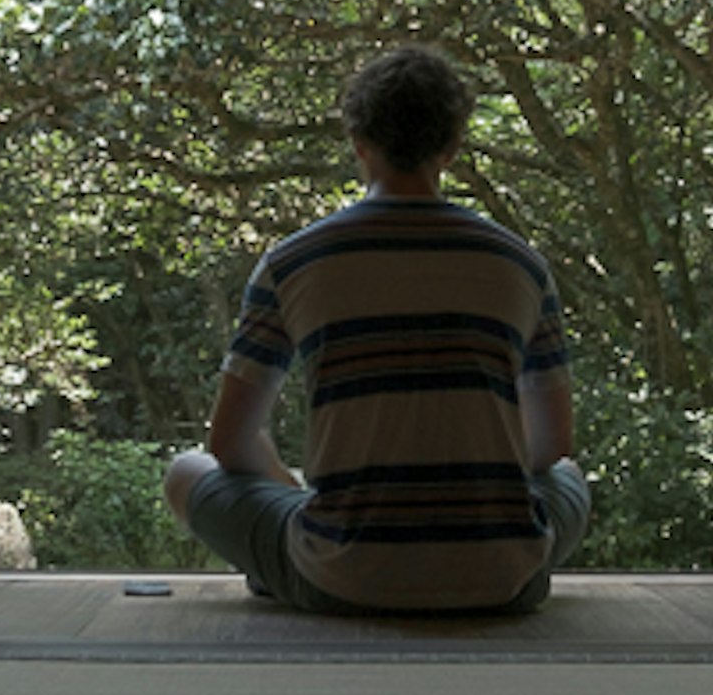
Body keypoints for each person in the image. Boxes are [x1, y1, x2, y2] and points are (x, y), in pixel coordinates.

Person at [165, 44, 591, 615]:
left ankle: (293, 560)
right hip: (503, 579)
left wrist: (296, 493)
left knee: (185, 472)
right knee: (568, 476)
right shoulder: (521, 264)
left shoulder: (292, 263)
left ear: (358, 143)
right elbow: (549, 448)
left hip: (341, 574)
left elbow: (230, 445)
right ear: (453, 145)